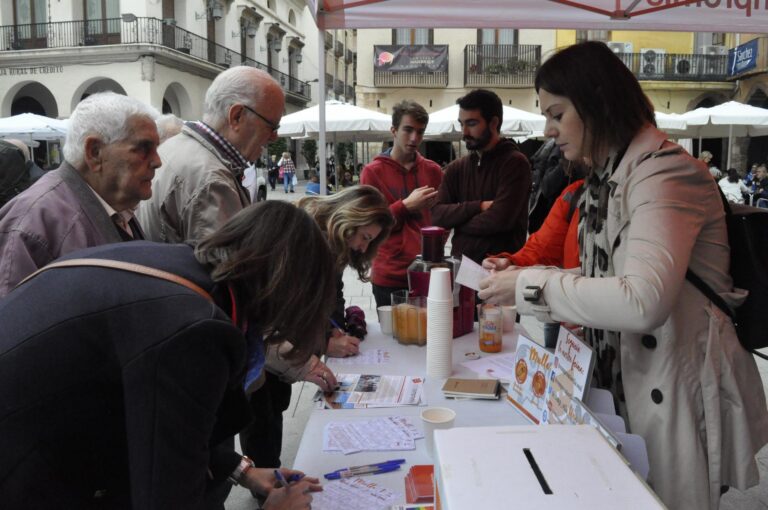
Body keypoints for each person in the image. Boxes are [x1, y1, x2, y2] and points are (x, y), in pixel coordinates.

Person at [478, 41, 768, 510]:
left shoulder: (663, 173)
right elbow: (604, 274)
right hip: (627, 382)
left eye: (556, 113)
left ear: (595, 102)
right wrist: (533, 275)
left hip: (673, 389)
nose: (549, 130)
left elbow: (642, 299)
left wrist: (534, 284)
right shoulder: (607, 176)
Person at [0, 201, 331, 509]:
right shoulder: (195, 329)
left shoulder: (183, 269)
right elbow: (166, 496)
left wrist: (242, 470)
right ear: (289, 291)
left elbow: (165, 424)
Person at [238, 187, 394, 479]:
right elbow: (272, 313)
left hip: (282, 350)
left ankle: (270, 474)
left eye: (370, 241)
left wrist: (332, 332)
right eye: (364, 237)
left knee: (275, 409)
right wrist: (322, 342)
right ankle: (266, 486)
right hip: (266, 349)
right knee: (262, 416)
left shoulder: (332, 244)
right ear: (349, 219)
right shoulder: (304, 239)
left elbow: (333, 294)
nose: (362, 247)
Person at [0, 92, 161, 298]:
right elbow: (13, 323)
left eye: (156, 148)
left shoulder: (116, 205)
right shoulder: (32, 224)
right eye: (144, 148)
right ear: (94, 152)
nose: (157, 161)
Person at [138, 66, 284, 243]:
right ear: (237, 116)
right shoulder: (211, 180)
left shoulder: (177, 147)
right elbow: (226, 266)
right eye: (272, 126)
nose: (274, 137)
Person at [431, 89, 532, 264]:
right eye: (461, 124)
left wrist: (458, 222)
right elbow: (438, 215)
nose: (464, 132)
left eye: (471, 123)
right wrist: (478, 206)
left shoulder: (515, 164)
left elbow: (500, 220)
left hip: (500, 272)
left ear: (493, 123)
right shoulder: (457, 168)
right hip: (460, 272)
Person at [483, 177, 585, 348]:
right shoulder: (575, 193)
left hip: (596, 325)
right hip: (567, 323)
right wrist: (510, 262)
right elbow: (542, 248)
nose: (559, 148)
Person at [360, 100, 442, 307]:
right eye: (408, 130)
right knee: (391, 338)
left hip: (427, 272)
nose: (414, 138)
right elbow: (368, 226)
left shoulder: (432, 171)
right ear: (394, 131)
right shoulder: (372, 172)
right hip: (389, 275)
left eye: (420, 132)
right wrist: (405, 206)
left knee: (430, 336)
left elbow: (443, 217)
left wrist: (435, 246)